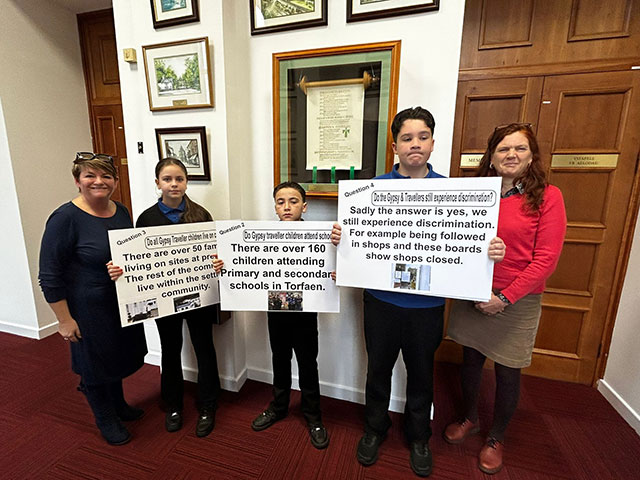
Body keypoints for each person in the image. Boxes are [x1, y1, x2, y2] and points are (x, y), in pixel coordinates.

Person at [331, 107, 505, 477]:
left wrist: (489, 251)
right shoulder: (369, 191)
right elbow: (359, 242)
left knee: (421, 372)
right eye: (407, 138)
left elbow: (465, 243)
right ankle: (374, 429)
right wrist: (343, 239)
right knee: (377, 370)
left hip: (426, 307)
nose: (415, 144)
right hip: (380, 302)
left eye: (422, 137)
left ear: (432, 142)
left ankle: (418, 436)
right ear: (395, 146)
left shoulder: (453, 192)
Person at [443, 123, 566, 474]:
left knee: (508, 371)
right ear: (492, 158)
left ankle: (496, 436)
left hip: (517, 298)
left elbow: (546, 260)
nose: (511, 154)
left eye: (520, 149)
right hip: (473, 292)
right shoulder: (477, 193)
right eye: (503, 149)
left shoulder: (548, 196)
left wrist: (505, 298)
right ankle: (470, 418)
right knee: (469, 361)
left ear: (531, 157)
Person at [38, 152, 147, 446]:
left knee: (117, 355)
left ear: (115, 180)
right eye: (90, 175)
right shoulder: (65, 219)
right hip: (87, 307)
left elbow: (129, 253)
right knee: (94, 364)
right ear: (77, 181)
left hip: (120, 301)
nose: (98, 181)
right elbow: (49, 275)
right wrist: (64, 319)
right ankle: (105, 418)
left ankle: (118, 403)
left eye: (106, 176)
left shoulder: (121, 211)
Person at [110, 158, 224, 438]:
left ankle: (208, 404)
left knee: (204, 347)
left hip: (199, 296)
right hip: (164, 299)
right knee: (170, 349)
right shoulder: (146, 218)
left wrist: (217, 263)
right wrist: (123, 270)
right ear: (157, 182)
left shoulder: (201, 214)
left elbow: (211, 253)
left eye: (180, 179)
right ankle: (173, 404)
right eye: (168, 179)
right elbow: (139, 258)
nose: (174, 184)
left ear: (187, 182)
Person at [250, 181, 329, 450]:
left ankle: (313, 416)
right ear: (275, 207)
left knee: (308, 364)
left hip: (306, 314)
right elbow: (248, 265)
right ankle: (279, 406)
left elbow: (330, 267)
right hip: (277, 311)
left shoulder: (319, 235)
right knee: (280, 360)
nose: (287, 207)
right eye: (281, 202)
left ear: (304, 206)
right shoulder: (263, 236)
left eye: (293, 201)